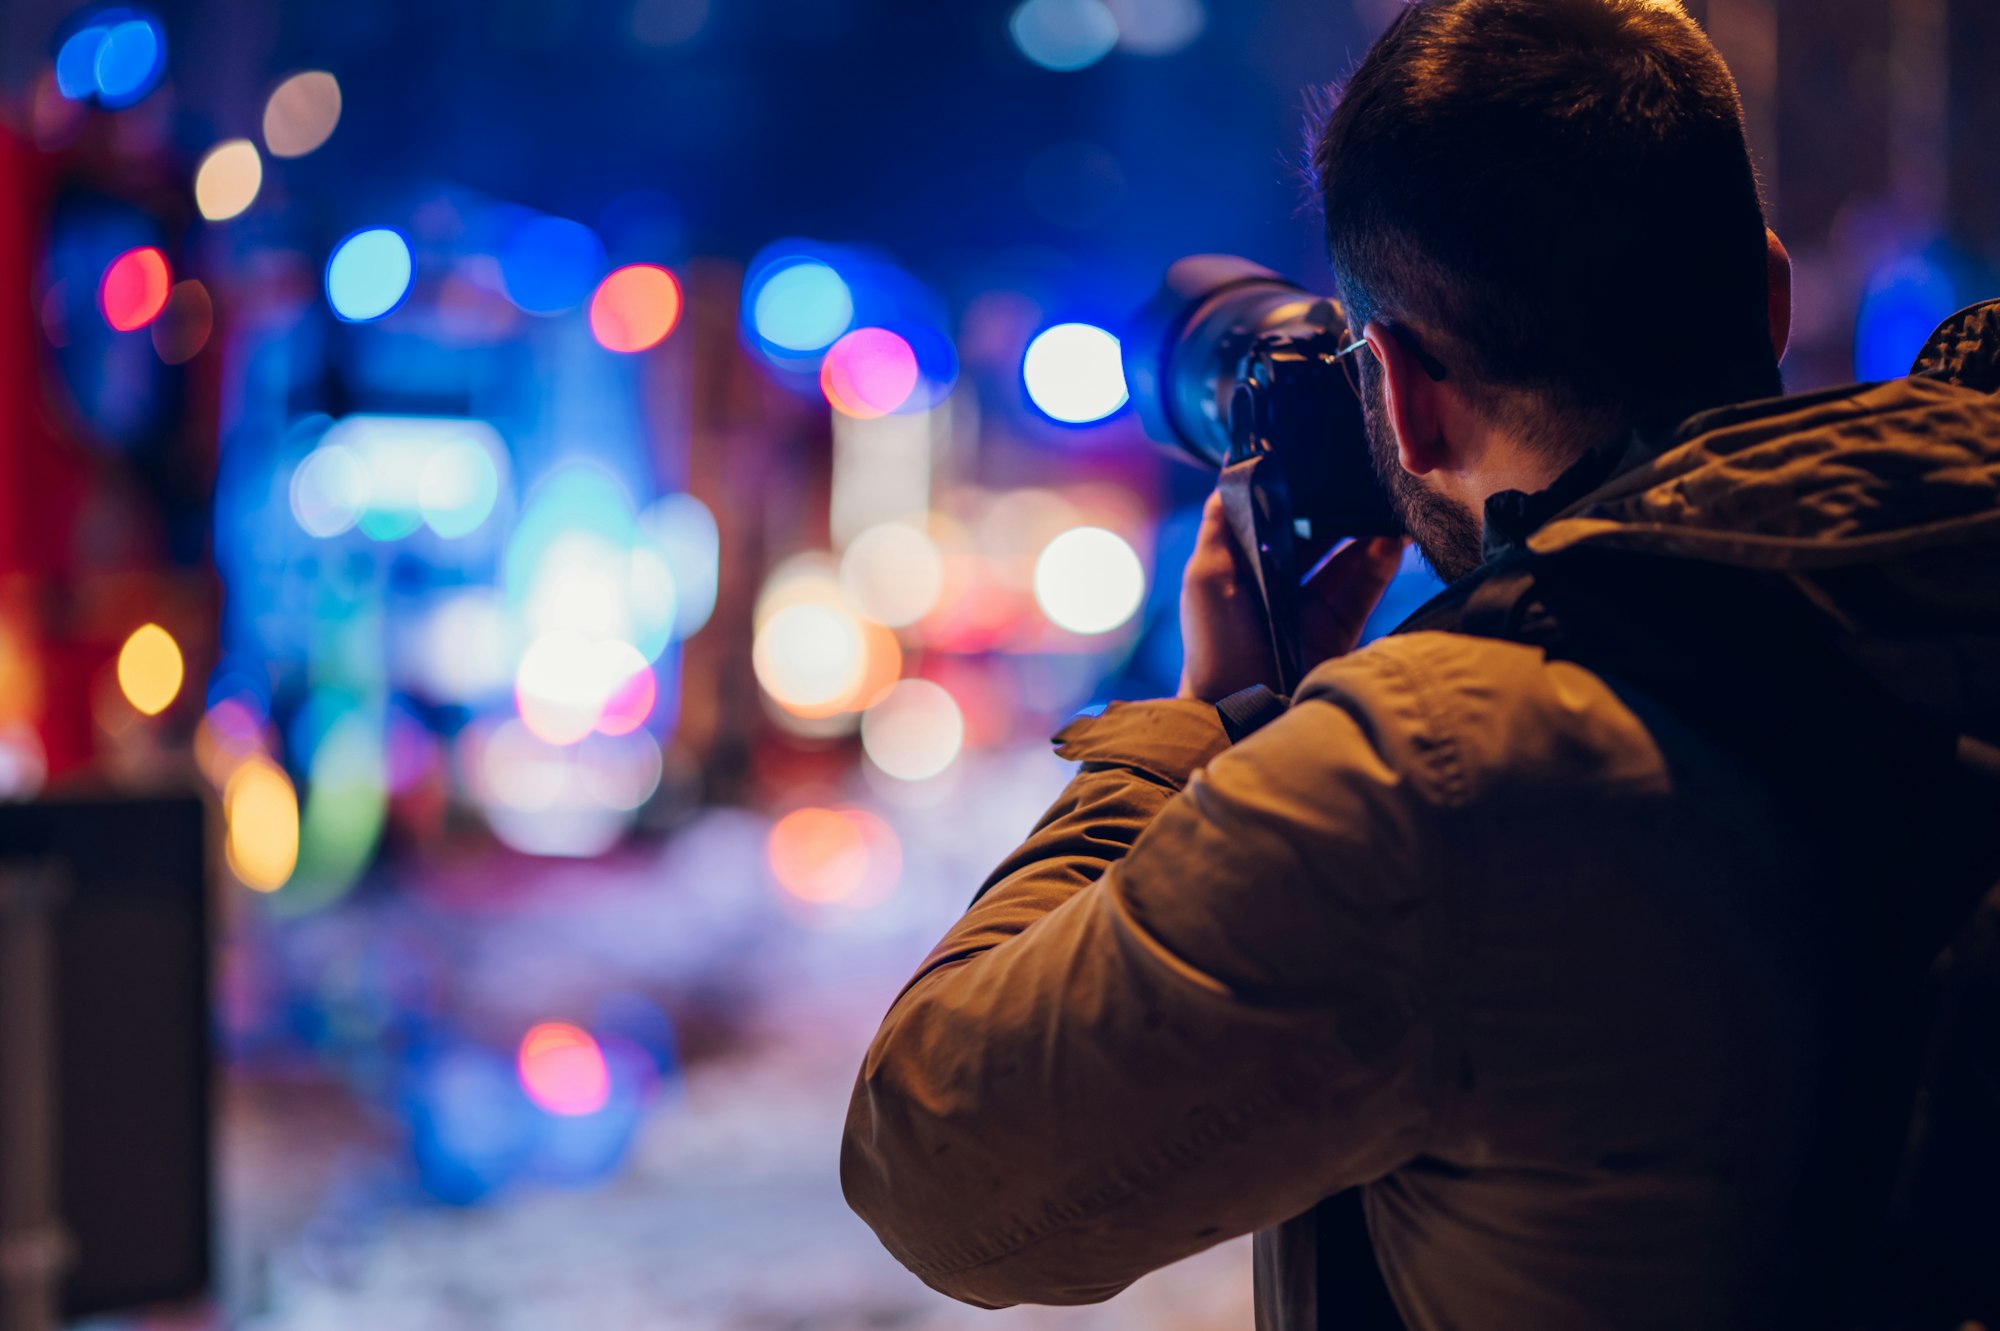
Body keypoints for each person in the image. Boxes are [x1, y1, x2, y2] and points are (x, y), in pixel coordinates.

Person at [840, 1, 2000, 1327]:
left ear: (1399, 390)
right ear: (1774, 293)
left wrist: (1198, 720)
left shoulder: (1431, 775)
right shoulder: (1956, 550)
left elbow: (935, 1166)